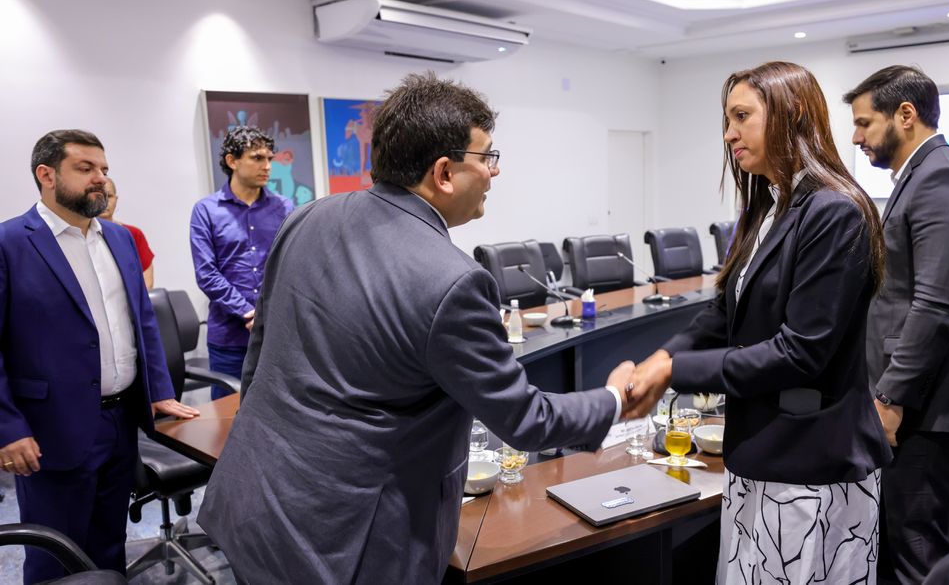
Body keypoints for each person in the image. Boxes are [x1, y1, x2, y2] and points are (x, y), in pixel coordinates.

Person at [197, 73, 634, 583]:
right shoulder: (454, 280)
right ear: (444, 172)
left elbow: (261, 352)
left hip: (257, 498)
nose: (494, 173)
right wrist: (615, 397)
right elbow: (525, 421)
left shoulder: (306, 218)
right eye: (487, 157)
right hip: (348, 541)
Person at [625, 62, 892, 584]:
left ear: (790, 114)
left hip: (812, 463)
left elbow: (801, 352)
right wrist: (662, 356)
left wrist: (675, 371)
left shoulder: (833, 211)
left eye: (741, 117)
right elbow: (725, 310)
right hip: (763, 452)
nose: (728, 135)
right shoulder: (770, 205)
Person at [0, 129, 199, 583]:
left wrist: (159, 391)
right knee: (56, 553)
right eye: (86, 169)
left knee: (109, 542)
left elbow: (141, 322)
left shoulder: (119, 238)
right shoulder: (9, 243)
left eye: (104, 169)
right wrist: (7, 429)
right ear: (46, 175)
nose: (101, 180)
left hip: (119, 422)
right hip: (49, 429)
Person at [844, 65, 949, 584]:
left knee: (918, 546)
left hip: (932, 405)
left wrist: (889, 399)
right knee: (909, 533)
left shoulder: (944, 177)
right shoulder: (921, 175)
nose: (856, 136)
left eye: (865, 123)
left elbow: (936, 305)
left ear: (905, 115)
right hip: (922, 399)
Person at [190, 126, 294, 399]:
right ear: (232, 161)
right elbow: (207, 273)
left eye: (269, 159)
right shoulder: (207, 210)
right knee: (228, 416)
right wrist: (248, 312)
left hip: (275, 334)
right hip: (229, 338)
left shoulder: (284, 207)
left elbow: (290, 264)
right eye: (257, 158)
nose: (267, 166)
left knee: (278, 411)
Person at [99, 177, 155, 290]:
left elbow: (147, 282)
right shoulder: (80, 235)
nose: (105, 201)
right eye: (99, 196)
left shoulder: (133, 233)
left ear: (116, 199)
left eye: (109, 196)